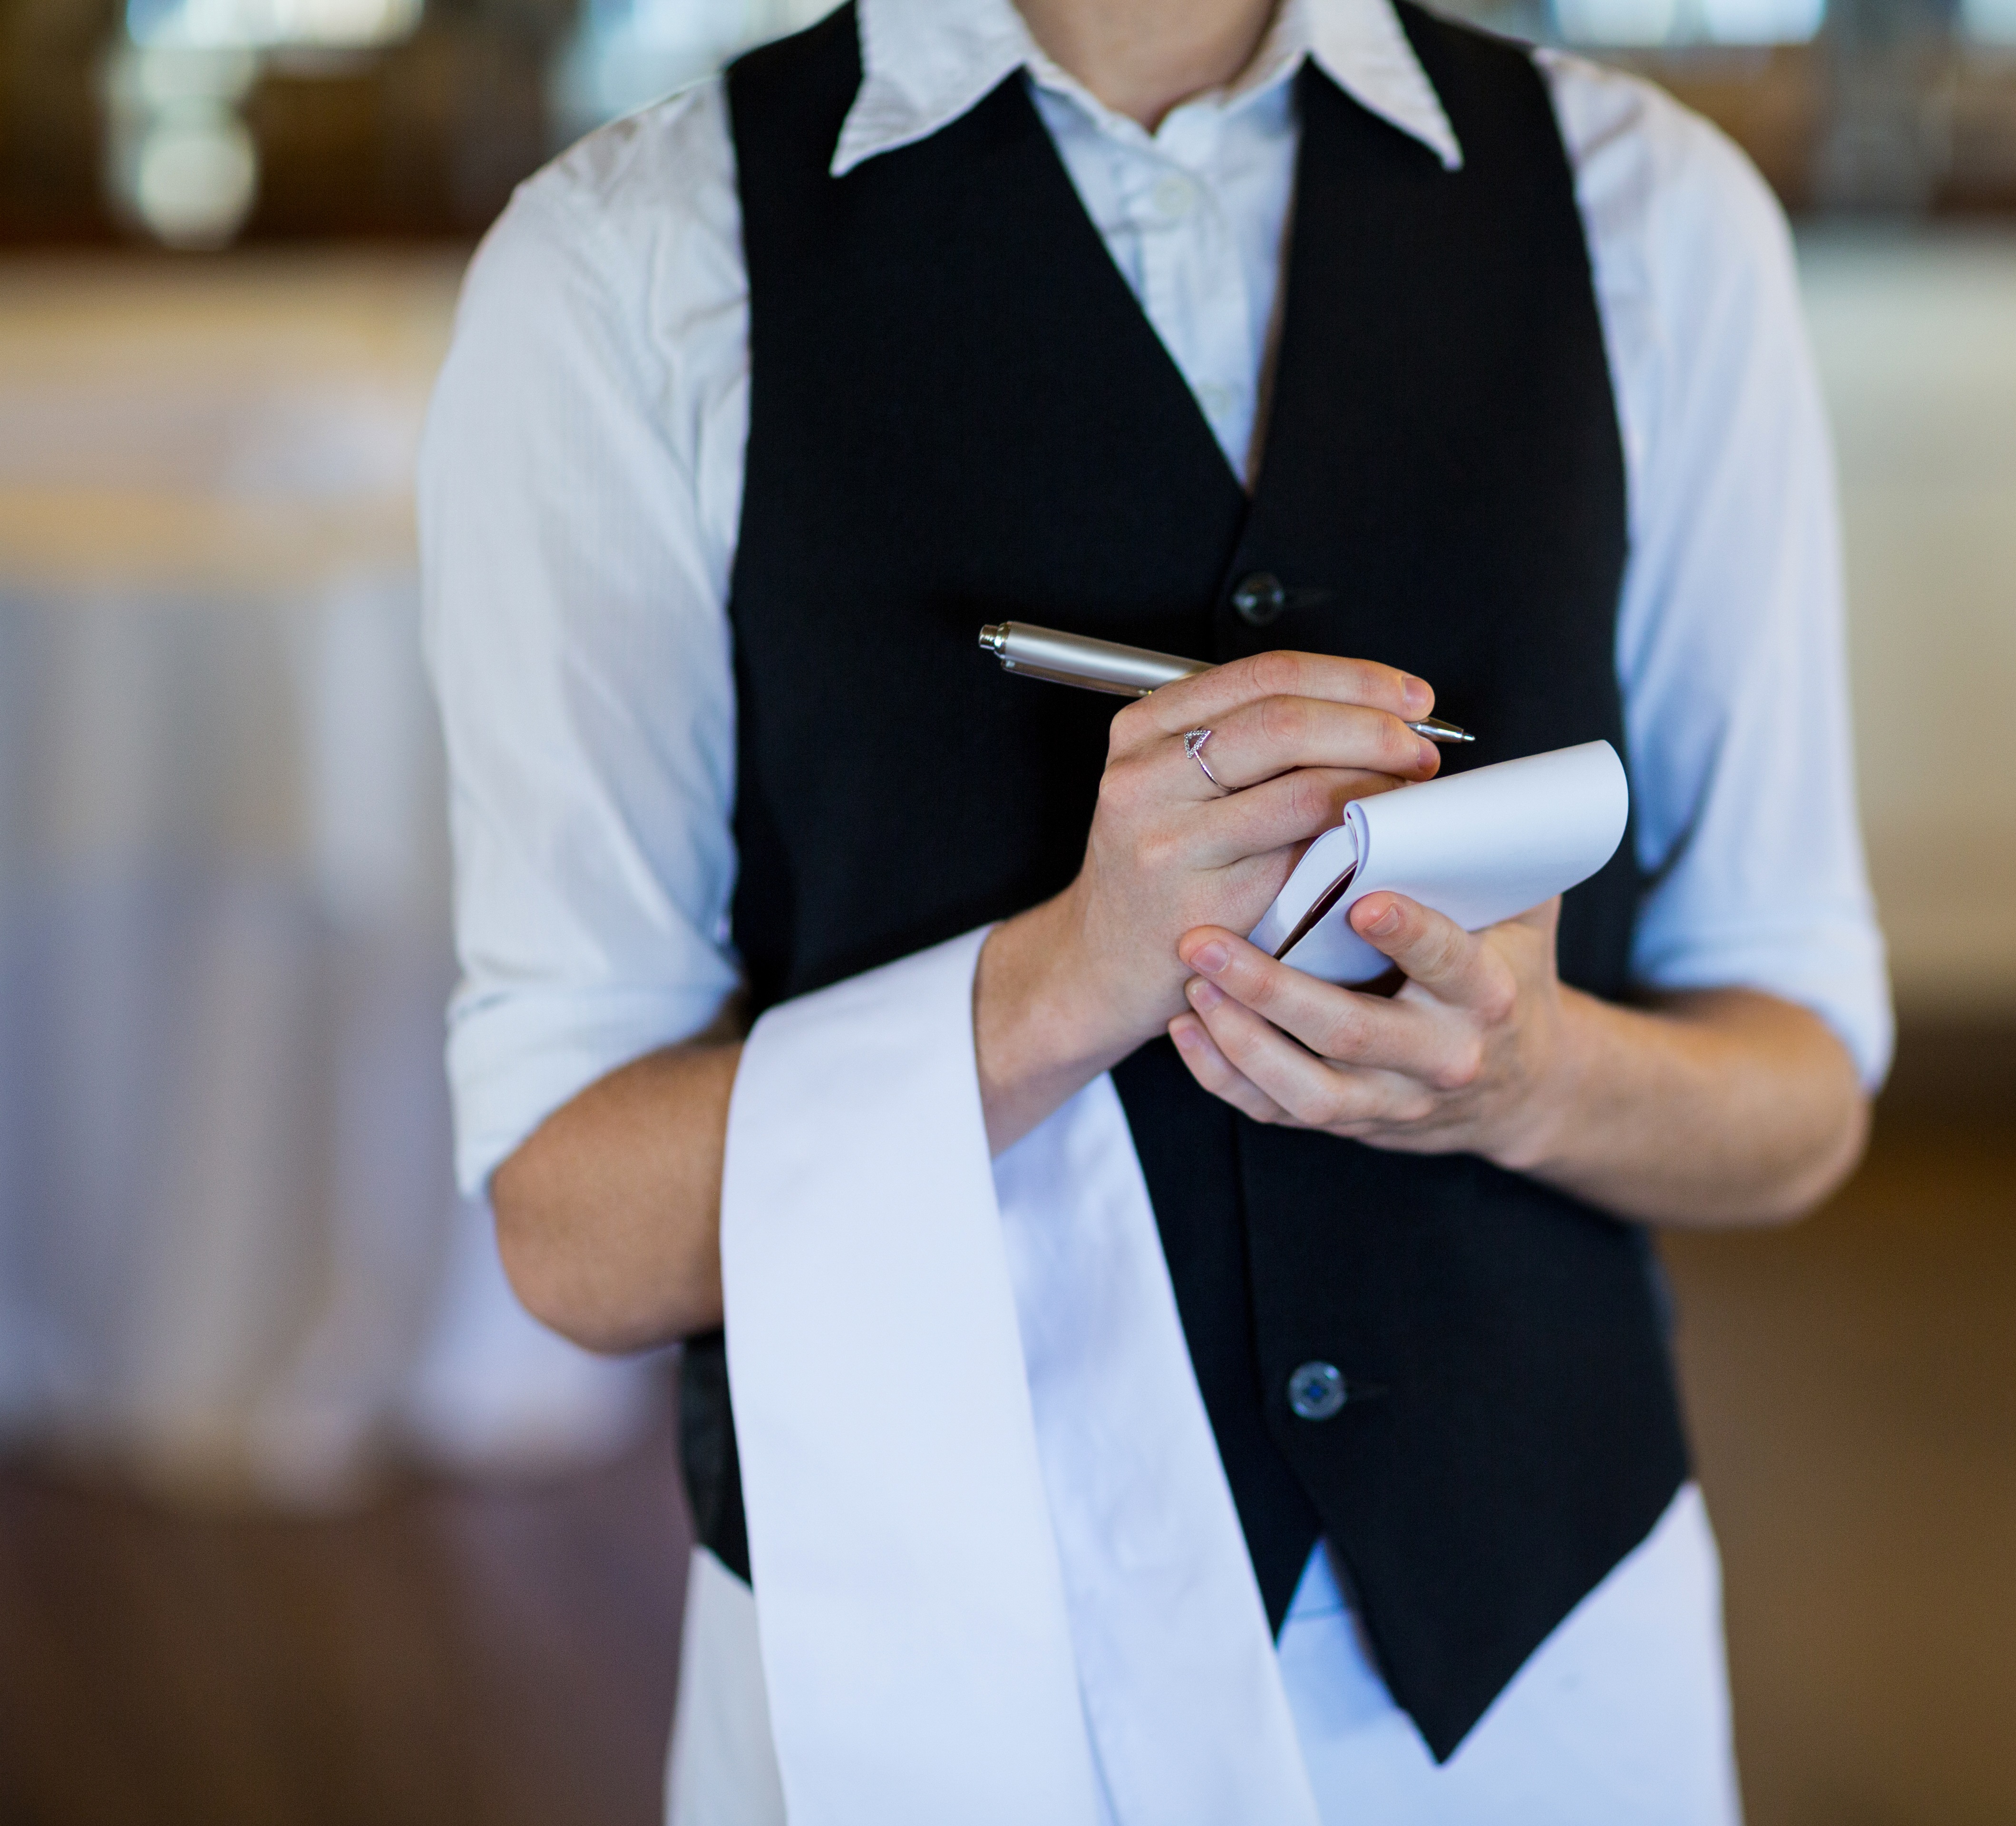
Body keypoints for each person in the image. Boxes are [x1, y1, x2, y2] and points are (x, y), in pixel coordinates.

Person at [419, 0, 1889, 1811]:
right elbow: (574, 1228)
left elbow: (1800, 1102)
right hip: (929, 1690)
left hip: (1541, 1677)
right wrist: (1058, 986)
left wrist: (1532, 1078)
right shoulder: (623, 269)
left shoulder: (1657, 215)